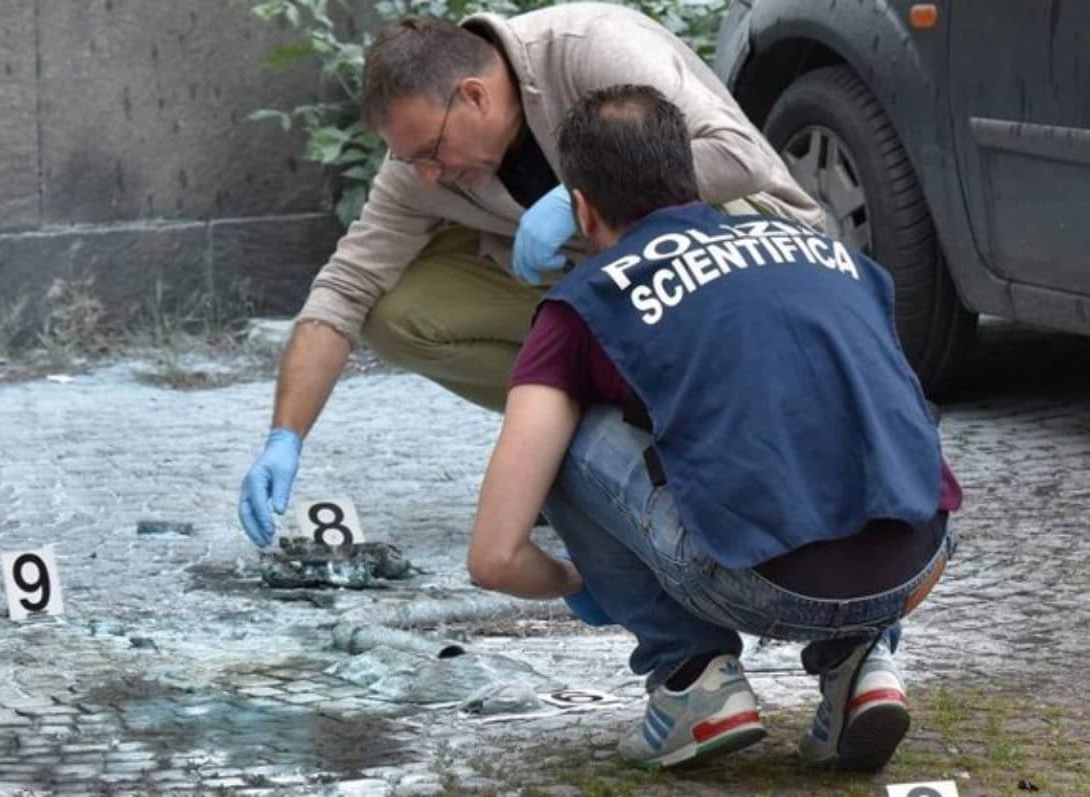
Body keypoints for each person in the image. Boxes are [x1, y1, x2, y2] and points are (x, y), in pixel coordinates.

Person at [465, 84, 962, 772]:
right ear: (687, 174)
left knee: (559, 437)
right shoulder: (829, 252)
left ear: (579, 206)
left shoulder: (587, 302)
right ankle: (862, 663)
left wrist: (586, 578)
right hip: (920, 556)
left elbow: (493, 553)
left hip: (760, 582)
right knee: (837, 396)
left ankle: (691, 676)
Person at [237, 2, 823, 548]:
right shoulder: (424, 166)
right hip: (604, 284)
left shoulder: (593, 47)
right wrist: (284, 438)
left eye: (430, 153)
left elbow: (742, 158)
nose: (426, 176)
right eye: (412, 160)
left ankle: (751, 438)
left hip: (730, 247)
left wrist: (584, 194)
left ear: (474, 97)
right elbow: (344, 287)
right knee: (394, 315)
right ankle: (591, 445)